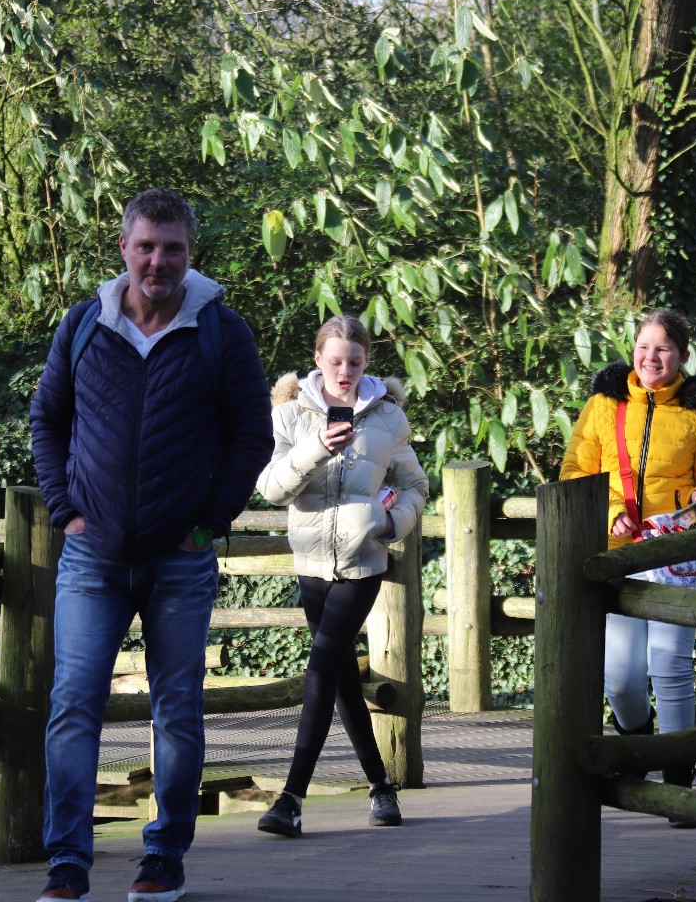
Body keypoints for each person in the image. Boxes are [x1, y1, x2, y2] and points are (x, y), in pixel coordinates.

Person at [29, 188, 273, 902]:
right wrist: (64, 510)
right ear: (124, 249)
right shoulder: (83, 324)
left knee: (177, 711)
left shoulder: (222, 332)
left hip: (180, 559)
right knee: (73, 705)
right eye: (146, 246)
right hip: (91, 557)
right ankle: (66, 865)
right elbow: (47, 419)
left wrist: (209, 522)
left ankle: (163, 856)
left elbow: (251, 436)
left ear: (190, 254)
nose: (157, 261)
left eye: (172, 249)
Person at [253, 314, 429, 838]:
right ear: (318, 360)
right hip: (310, 563)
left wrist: (390, 523)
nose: (345, 372)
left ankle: (290, 797)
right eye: (335, 362)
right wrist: (316, 449)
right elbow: (271, 490)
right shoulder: (289, 415)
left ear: (367, 360)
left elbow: (415, 484)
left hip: (361, 561)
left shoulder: (387, 417)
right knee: (342, 677)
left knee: (322, 663)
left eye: (354, 362)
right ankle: (381, 788)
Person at [559, 308, 696, 818]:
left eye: (663, 348)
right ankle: (636, 749)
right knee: (620, 678)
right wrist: (611, 511)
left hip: (673, 556)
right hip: (615, 557)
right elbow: (575, 471)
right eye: (643, 346)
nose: (651, 357)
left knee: (671, 666)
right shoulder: (604, 405)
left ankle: (679, 779)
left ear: (682, 356)